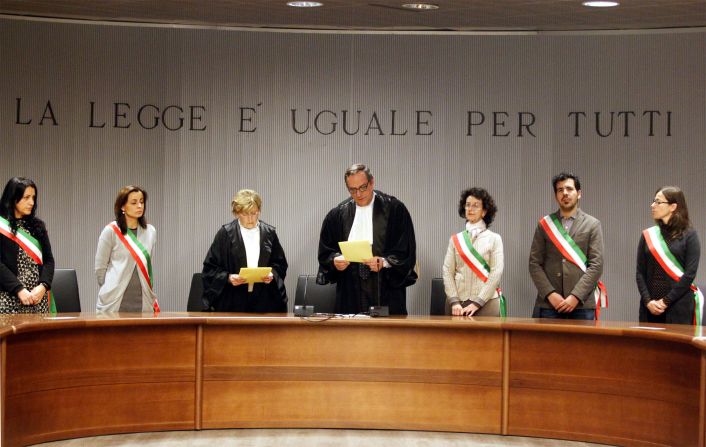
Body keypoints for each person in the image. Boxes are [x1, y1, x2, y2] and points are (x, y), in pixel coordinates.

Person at [318, 164, 417, 315]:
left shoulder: (395, 209)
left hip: (384, 288)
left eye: (363, 187)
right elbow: (326, 251)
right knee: (351, 337)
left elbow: (406, 250)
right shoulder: (338, 214)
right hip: (350, 290)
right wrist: (335, 261)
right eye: (353, 190)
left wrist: (384, 262)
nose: (358, 193)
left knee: (386, 337)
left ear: (372, 182)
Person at [528, 172, 605, 320]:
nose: (565, 193)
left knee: (581, 344)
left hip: (581, 304)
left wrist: (575, 296)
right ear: (556, 195)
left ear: (579, 193)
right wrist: (550, 294)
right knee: (546, 344)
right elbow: (534, 264)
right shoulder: (545, 224)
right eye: (560, 190)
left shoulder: (592, 224)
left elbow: (596, 265)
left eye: (569, 189)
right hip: (549, 303)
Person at [202, 189, 288, 312]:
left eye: (254, 213)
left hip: (263, 300)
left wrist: (272, 274)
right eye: (245, 214)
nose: (250, 219)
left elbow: (280, 264)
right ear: (236, 213)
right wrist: (228, 278)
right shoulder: (225, 234)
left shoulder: (269, 233)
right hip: (233, 301)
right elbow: (209, 268)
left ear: (259, 211)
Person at [636, 186, 701, 325]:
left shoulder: (690, 235)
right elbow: (640, 273)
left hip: (678, 306)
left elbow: (690, 274)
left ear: (673, 206)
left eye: (658, 202)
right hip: (650, 307)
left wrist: (666, 301)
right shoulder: (648, 235)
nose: (652, 205)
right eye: (653, 201)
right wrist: (648, 301)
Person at [95, 185, 158, 313]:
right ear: (123, 207)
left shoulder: (150, 231)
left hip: (143, 298)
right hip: (115, 299)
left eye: (141, 202)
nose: (139, 206)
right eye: (134, 203)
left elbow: (148, 263)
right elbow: (100, 269)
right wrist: (111, 287)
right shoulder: (111, 231)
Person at [443, 187, 504, 316]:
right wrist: (454, 301)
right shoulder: (455, 239)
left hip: (487, 303)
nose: (470, 209)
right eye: (468, 205)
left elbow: (496, 273)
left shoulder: (494, 239)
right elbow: (447, 271)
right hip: (458, 305)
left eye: (476, 206)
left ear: (484, 212)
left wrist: (477, 302)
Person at [0, 177, 55, 313]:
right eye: (26, 197)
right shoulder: (2, 226)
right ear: (13, 199)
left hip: (38, 298)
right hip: (9, 297)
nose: (31, 202)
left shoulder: (38, 226)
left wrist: (43, 286)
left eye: (33, 197)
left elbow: (49, 260)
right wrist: (19, 289)